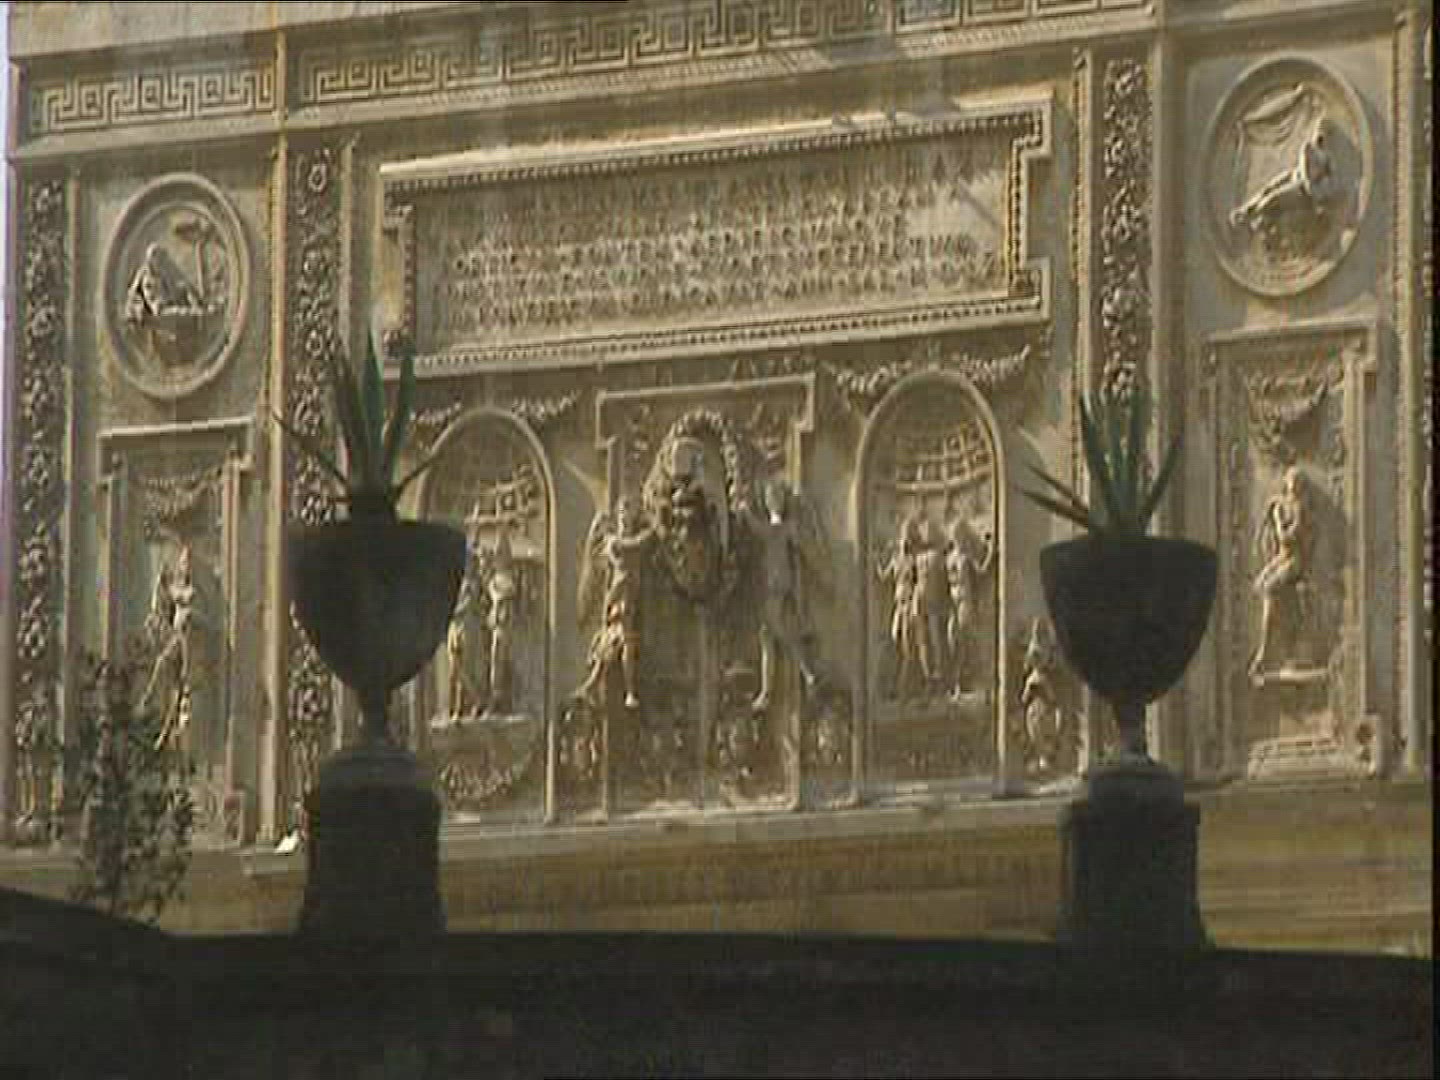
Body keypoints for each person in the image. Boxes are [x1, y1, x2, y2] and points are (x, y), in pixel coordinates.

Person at [1251, 466, 1311, 678]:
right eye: (1290, 480)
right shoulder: (1283, 504)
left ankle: (1265, 650)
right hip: (1282, 558)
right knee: (1259, 585)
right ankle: (1269, 646)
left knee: (1269, 590)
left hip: (1296, 561)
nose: (1292, 485)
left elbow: (1287, 538)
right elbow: (1276, 546)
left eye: (1296, 481)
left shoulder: (1300, 508)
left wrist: (1277, 520)